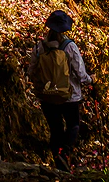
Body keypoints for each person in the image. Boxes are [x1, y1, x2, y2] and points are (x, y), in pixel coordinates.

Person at [28, 10, 94, 172]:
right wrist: (92, 80)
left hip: (46, 96)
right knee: (73, 125)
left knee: (55, 129)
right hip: (69, 96)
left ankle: (57, 163)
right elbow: (80, 73)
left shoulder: (40, 47)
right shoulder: (69, 46)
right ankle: (64, 152)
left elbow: (31, 71)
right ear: (65, 29)